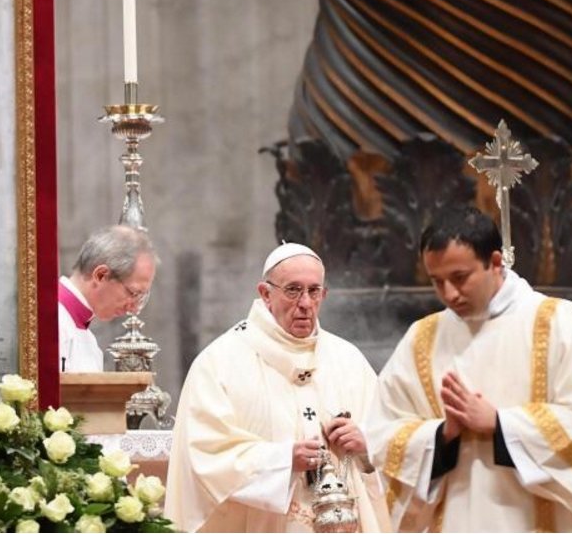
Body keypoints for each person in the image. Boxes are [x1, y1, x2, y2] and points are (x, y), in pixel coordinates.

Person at [363, 207, 572, 532]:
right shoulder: (423, 339)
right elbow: (383, 433)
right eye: (437, 281)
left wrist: (500, 424)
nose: (449, 294)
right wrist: (441, 435)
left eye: (460, 277)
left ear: (496, 263)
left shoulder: (563, 324)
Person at [166, 243, 391, 532]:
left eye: (314, 291)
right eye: (293, 290)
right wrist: (283, 461)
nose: (306, 303)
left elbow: (390, 439)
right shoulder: (219, 363)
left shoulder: (347, 360)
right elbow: (204, 453)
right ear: (265, 293)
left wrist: (365, 444)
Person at [58, 225, 158, 372]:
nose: (135, 308)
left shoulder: (88, 338)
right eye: (133, 293)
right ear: (100, 275)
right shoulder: (52, 319)